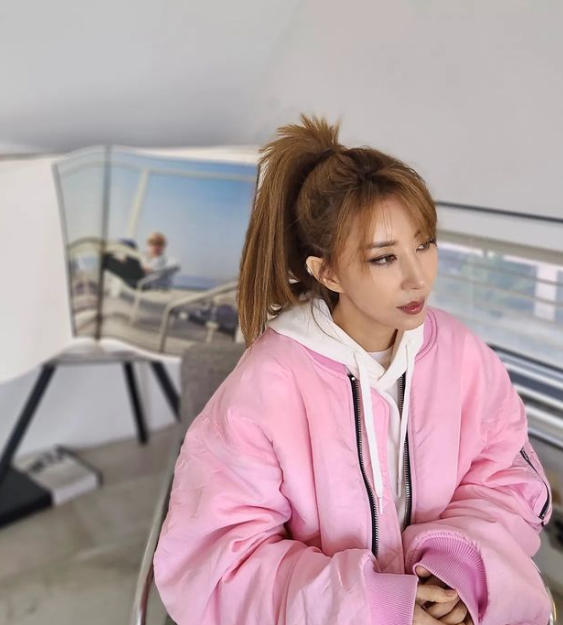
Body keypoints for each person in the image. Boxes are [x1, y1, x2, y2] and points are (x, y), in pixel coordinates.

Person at [153, 116, 552, 625]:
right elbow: (221, 560)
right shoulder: (267, 384)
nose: (417, 277)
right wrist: (379, 607)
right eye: (384, 258)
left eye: (423, 244)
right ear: (327, 271)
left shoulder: (461, 353)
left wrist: (458, 570)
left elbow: (506, 477)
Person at [102, 231, 169, 288]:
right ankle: (107, 253)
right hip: (133, 277)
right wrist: (124, 262)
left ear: (163, 246)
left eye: (159, 244)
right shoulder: (145, 255)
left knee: (131, 244)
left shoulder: (162, 259)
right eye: (152, 243)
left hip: (141, 281)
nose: (156, 246)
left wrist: (141, 265)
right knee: (106, 259)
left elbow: (150, 270)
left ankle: (111, 244)